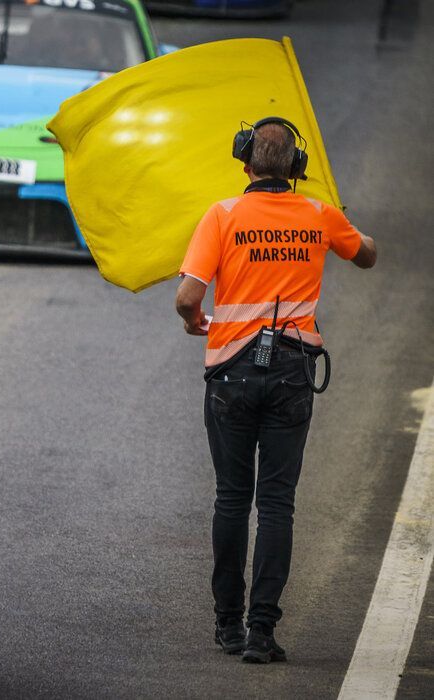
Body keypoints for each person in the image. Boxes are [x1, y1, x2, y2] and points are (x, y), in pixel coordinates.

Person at [174, 117, 377, 664]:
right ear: (296, 167)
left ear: (244, 160)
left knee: (232, 499)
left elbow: (187, 297)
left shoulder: (222, 215)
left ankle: (228, 626)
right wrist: (343, 223)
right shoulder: (319, 215)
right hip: (292, 375)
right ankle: (262, 632)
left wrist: (197, 322)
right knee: (277, 504)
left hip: (231, 375)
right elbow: (367, 254)